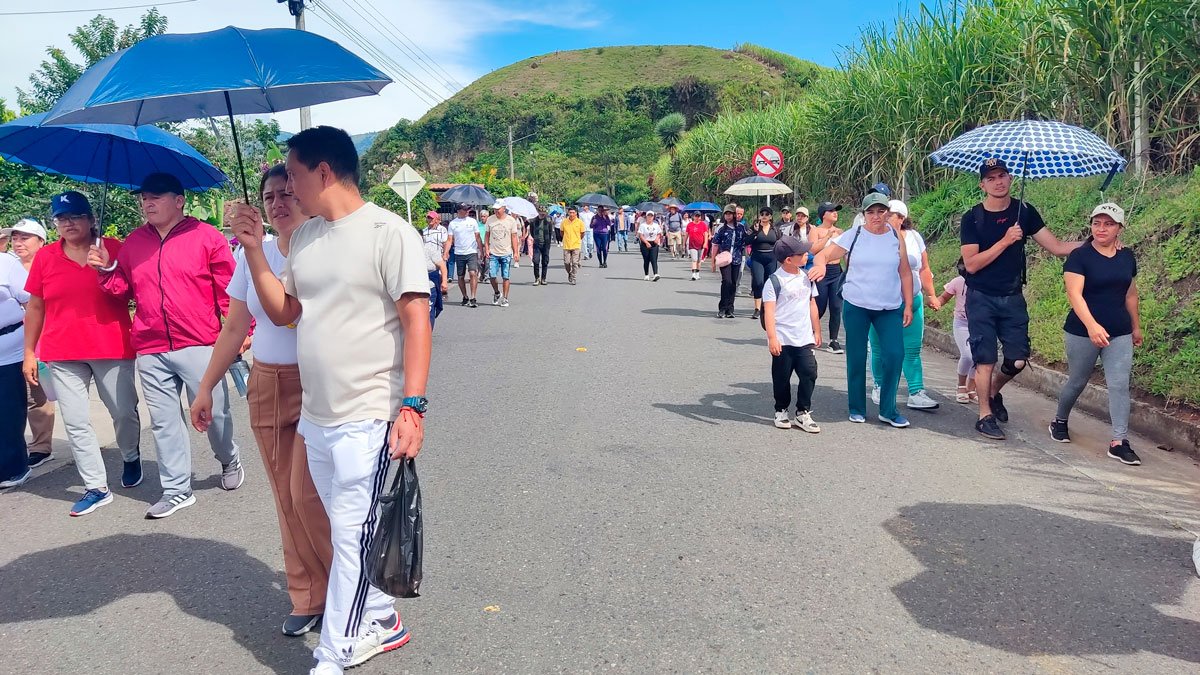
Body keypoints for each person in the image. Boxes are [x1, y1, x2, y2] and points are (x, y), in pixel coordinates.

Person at [228, 126, 430, 674]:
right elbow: (284, 311)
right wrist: (252, 249)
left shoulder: (389, 232)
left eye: (291, 175)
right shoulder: (310, 237)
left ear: (322, 171)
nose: (285, 188)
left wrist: (413, 406)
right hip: (316, 415)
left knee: (348, 532)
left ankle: (334, 654)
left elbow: (416, 318)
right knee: (348, 528)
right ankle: (382, 616)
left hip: (368, 411)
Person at [190, 165, 334, 636]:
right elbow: (235, 328)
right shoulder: (253, 254)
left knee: (311, 496)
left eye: (288, 192)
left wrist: (258, 254)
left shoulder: (326, 248)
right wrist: (207, 385)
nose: (278, 202)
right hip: (268, 383)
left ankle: (348, 591)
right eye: (269, 195)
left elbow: (291, 316)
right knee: (285, 498)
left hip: (321, 383)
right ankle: (307, 594)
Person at [86, 172, 243, 518]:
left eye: (156, 197)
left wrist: (243, 331)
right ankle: (176, 489)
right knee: (163, 421)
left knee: (215, 414)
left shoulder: (207, 237)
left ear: (179, 200)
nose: (148, 203)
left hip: (199, 342)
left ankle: (228, 458)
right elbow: (120, 290)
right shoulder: (134, 242)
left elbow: (229, 290)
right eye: (144, 197)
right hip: (151, 345)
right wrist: (105, 269)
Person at [21, 192, 142, 515]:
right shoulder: (45, 257)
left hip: (111, 345)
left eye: (75, 216)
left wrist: (107, 267)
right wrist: (29, 353)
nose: (68, 223)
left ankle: (130, 454)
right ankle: (96, 486)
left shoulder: (113, 248)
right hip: (61, 351)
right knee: (75, 421)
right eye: (61, 218)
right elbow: (35, 307)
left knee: (123, 412)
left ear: (91, 220)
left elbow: (132, 292)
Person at [961, 158, 1083, 440]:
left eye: (1002, 175)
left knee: (1017, 360)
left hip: (1013, 297)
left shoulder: (1024, 212)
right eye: (991, 178)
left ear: (1010, 178)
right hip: (980, 297)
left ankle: (992, 391)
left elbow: (1057, 247)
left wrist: (1096, 243)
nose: (998, 181)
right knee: (985, 359)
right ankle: (984, 415)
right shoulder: (973, 218)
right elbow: (972, 265)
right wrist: (1005, 241)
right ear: (982, 185)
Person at [809, 193, 913, 428]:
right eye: (871, 212)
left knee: (895, 355)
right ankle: (856, 407)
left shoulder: (896, 236)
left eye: (880, 211)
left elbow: (905, 271)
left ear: (887, 212)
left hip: (889, 306)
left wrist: (908, 304)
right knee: (856, 357)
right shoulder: (854, 235)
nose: (876, 216)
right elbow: (823, 255)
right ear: (863, 214)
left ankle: (888, 409)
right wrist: (821, 268)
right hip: (857, 304)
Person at [1051, 203, 1142, 465]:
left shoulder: (1127, 256)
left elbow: (1130, 293)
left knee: (1118, 384)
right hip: (1082, 331)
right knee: (1077, 381)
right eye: (1097, 223)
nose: (1101, 228)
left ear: (1120, 229)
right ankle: (1060, 420)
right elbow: (1074, 294)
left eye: (1109, 224)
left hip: (1119, 331)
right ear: (1091, 226)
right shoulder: (1080, 256)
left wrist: (1135, 325)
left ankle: (1119, 441)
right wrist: (1092, 326)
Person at [869, 200, 941, 411]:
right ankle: (880, 386)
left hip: (912, 300)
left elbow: (925, 268)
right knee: (879, 348)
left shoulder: (914, 237)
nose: (883, 217)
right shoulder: (871, 237)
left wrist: (932, 295)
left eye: (889, 214)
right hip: (881, 303)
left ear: (901, 218)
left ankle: (916, 391)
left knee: (912, 349)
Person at [5, 219, 55, 466]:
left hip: (41, 339)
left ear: (41, 241)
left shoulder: (49, 264)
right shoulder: (9, 266)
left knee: (39, 394)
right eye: (15, 237)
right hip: (13, 343)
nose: (18, 242)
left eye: (25, 237)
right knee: (16, 395)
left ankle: (41, 445)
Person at [764, 235, 822, 433]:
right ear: (789, 259)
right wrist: (772, 337)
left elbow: (812, 303)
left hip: (804, 338)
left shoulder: (807, 277)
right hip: (783, 339)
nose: (807, 255)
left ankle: (802, 411)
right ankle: (781, 410)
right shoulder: (774, 281)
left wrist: (817, 329)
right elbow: (770, 311)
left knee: (809, 372)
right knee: (781, 377)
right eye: (802, 253)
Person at [0, 251, 31, 489]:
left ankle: (14, 466)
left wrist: (35, 346)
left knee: (8, 410)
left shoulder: (6, 263)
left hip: (9, 348)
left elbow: (32, 302)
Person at [936, 260, 978, 404]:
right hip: (962, 324)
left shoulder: (986, 283)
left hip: (981, 324)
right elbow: (944, 297)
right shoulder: (958, 282)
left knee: (980, 356)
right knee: (967, 355)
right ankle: (961, 386)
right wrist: (936, 303)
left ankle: (971, 388)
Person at [809, 201, 845, 354]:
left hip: (836, 271)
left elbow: (844, 251)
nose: (835, 213)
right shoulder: (815, 230)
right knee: (820, 306)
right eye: (832, 211)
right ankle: (811, 334)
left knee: (836, 307)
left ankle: (834, 340)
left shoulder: (840, 231)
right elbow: (813, 250)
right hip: (821, 272)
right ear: (824, 215)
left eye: (836, 211)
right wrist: (828, 236)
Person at [711, 204, 747, 318]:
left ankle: (730, 309)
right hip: (724, 259)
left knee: (733, 284)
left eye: (730, 214)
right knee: (727, 281)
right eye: (726, 214)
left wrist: (755, 231)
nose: (728, 216)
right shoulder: (721, 228)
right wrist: (713, 262)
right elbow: (715, 245)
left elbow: (746, 240)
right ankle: (722, 307)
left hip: (736, 258)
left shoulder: (741, 227)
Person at [746, 207, 783, 321]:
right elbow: (747, 241)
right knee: (758, 282)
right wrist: (755, 232)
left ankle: (767, 307)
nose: (764, 216)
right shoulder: (755, 227)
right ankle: (757, 308)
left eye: (767, 214)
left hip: (771, 258)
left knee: (769, 283)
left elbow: (780, 242)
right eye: (762, 214)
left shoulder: (775, 229)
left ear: (771, 216)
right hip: (757, 257)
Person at [446, 203, 483, 308]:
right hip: (459, 252)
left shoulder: (472, 221)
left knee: (472, 273)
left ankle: (473, 297)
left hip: (471, 251)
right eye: (465, 210)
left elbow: (478, 237)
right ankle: (465, 296)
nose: (467, 211)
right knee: (460, 276)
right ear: (459, 211)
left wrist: (482, 251)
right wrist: (446, 253)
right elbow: (449, 240)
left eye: (468, 210)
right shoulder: (453, 224)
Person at [485, 202, 520, 307]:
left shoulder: (511, 220)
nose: (496, 211)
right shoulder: (490, 219)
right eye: (495, 209)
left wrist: (516, 252)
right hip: (493, 252)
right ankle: (496, 292)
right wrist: (486, 248)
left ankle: (505, 298)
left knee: (505, 276)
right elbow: (487, 236)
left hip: (506, 252)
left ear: (504, 208)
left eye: (498, 209)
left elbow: (514, 237)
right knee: (492, 275)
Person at [423, 216, 449, 328]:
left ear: (436, 219)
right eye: (428, 218)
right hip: (425, 272)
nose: (429, 220)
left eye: (431, 218)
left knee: (434, 306)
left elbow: (446, 242)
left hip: (437, 259)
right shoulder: (424, 231)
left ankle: (442, 292)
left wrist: (445, 253)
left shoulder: (442, 230)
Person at [528, 206, 554, 285]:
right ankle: (537, 278)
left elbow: (550, 233)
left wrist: (548, 242)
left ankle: (543, 278)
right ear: (538, 212)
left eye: (544, 214)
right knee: (535, 261)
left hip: (546, 243)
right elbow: (532, 232)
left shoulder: (549, 220)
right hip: (537, 243)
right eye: (541, 214)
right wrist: (536, 239)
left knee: (545, 261)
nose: (542, 215)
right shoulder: (533, 221)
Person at [560, 207, 586, 285]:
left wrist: (578, 239)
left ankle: (574, 277)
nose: (571, 214)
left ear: (576, 213)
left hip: (576, 245)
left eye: (573, 212)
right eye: (570, 212)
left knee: (575, 262)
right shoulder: (564, 222)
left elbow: (582, 233)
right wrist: (565, 239)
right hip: (567, 245)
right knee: (567, 262)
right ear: (568, 213)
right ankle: (570, 273)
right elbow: (562, 232)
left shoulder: (580, 222)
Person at [637, 210, 663, 281]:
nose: (650, 217)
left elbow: (659, 233)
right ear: (646, 216)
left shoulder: (656, 225)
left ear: (653, 217)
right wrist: (646, 242)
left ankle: (656, 274)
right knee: (646, 260)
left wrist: (657, 239)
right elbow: (641, 235)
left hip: (654, 243)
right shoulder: (643, 225)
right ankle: (646, 274)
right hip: (645, 244)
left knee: (654, 259)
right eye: (649, 215)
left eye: (651, 216)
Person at [685, 210, 710, 281]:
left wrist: (705, 243)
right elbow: (687, 234)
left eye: (698, 216)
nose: (697, 217)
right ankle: (693, 274)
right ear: (693, 216)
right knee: (694, 259)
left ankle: (697, 273)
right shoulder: (689, 225)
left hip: (701, 244)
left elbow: (706, 234)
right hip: (692, 244)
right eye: (696, 216)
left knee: (699, 260)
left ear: (700, 217)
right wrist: (684, 243)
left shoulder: (703, 224)